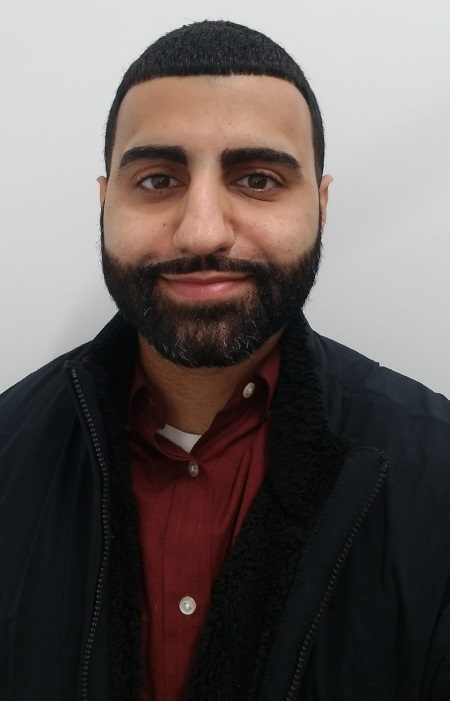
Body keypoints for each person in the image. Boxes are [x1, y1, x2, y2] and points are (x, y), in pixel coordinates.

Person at [1, 18, 450, 702]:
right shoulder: (8, 451)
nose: (203, 231)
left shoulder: (439, 473)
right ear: (104, 201)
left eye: (258, 179)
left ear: (321, 204)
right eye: (158, 179)